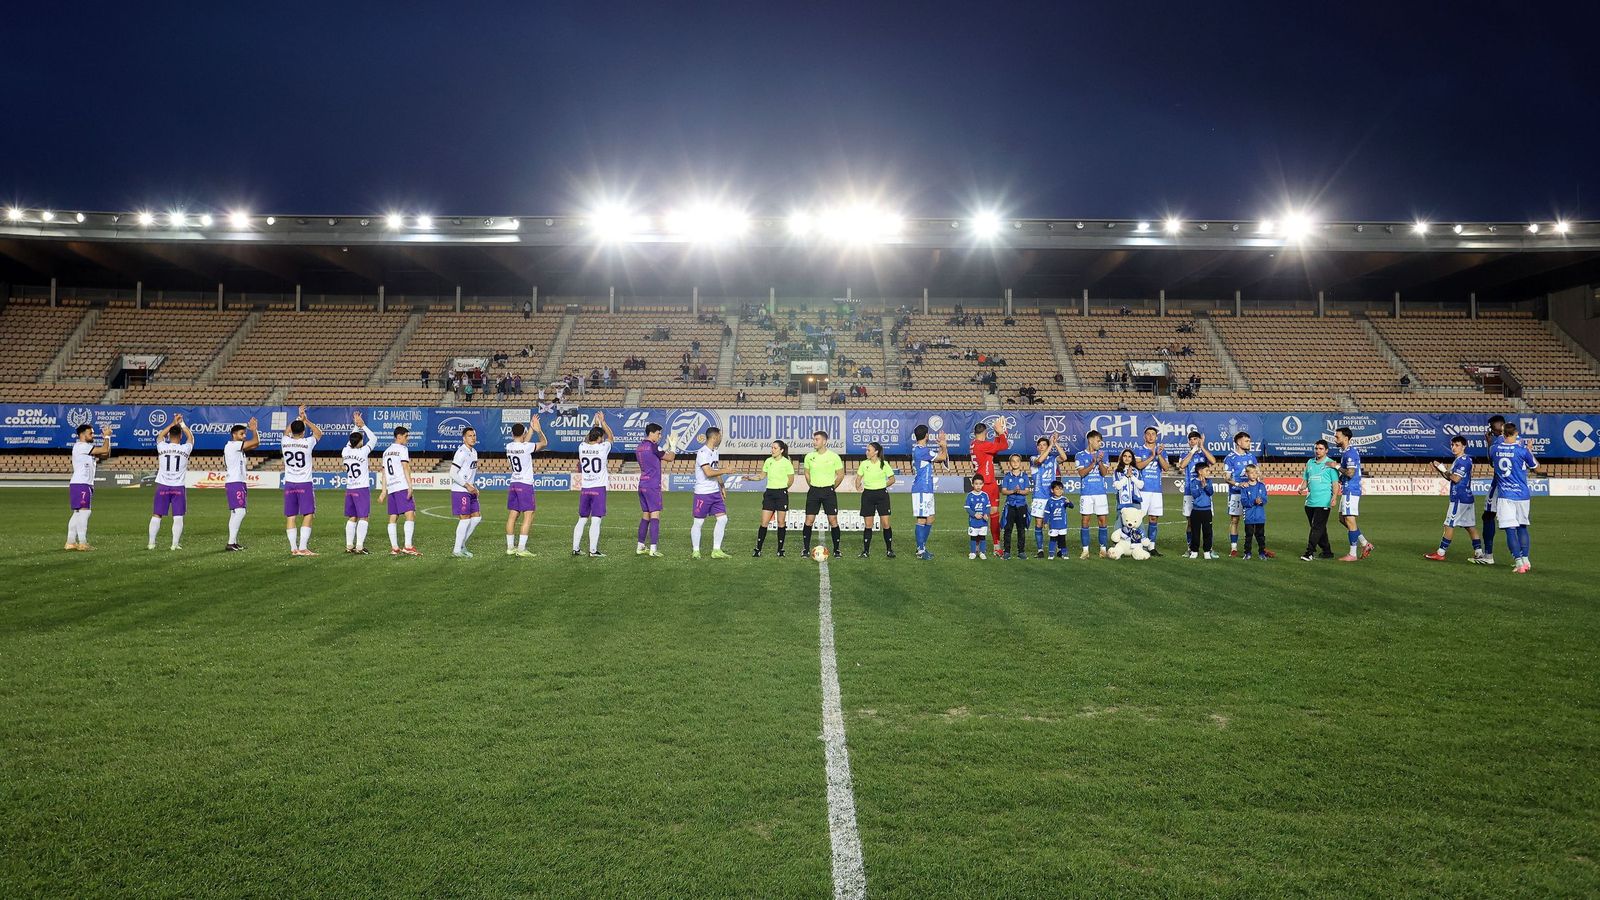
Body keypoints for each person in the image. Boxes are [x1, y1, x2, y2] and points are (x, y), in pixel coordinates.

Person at [1489, 422, 1540, 574]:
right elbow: (1537, 468)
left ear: (1503, 434)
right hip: (1523, 495)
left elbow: (1492, 463)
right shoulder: (1523, 450)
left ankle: (1518, 563)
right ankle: (1526, 560)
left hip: (1506, 495)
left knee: (1510, 530)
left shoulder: (1494, 449)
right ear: (1516, 433)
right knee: (1522, 527)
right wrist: (1530, 451)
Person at [1425, 435, 1484, 562]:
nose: (1453, 447)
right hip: (1467, 498)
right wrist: (1439, 470)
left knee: (1449, 525)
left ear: (1464, 446)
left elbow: (1455, 479)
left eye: (1457, 445)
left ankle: (1441, 553)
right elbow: (1449, 477)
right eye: (1452, 445)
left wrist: (1441, 467)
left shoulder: (1463, 460)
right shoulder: (1459, 460)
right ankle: (1479, 552)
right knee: (1470, 526)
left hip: (1459, 498)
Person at [570, 412, 614, 557]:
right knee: (596, 520)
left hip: (585, 488)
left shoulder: (581, 447)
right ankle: (593, 551)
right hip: (598, 488)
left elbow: (586, 438)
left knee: (582, 519)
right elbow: (611, 437)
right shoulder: (602, 448)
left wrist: (595, 425)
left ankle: (575, 548)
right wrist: (603, 422)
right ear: (600, 438)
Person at [281, 406, 322, 556]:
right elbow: (319, 433)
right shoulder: (307, 442)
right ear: (303, 431)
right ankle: (303, 547)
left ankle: (293, 548)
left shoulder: (285, 441)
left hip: (289, 483)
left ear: (291, 431)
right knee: (308, 514)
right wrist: (306, 419)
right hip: (304, 483)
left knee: (291, 516)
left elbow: (286, 432)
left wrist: (298, 418)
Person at [149, 415, 194, 551]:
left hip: (163, 485)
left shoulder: (162, 447)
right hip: (178, 487)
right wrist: (182, 424)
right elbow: (191, 438)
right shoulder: (185, 449)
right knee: (178, 516)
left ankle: (151, 543)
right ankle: (174, 544)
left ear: (169, 435)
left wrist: (172, 424)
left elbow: (159, 436)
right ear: (180, 436)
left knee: (157, 515)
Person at [66, 422, 112, 551]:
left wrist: (109, 439)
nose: (92, 435)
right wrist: (106, 438)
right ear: (82, 434)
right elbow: (103, 450)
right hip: (82, 483)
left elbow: (106, 454)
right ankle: (83, 542)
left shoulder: (85, 448)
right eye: (90, 433)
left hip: (82, 483)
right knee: (85, 512)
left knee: (77, 513)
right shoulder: (81, 446)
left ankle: (70, 542)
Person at [505, 418, 548, 557]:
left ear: (512, 434)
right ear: (523, 434)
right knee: (528, 515)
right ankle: (521, 549)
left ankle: (510, 548)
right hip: (525, 484)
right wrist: (538, 430)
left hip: (514, 483)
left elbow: (523, 442)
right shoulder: (526, 447)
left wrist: (530, 428)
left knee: (512, 516)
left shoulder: (509, 446)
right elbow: (544, 443)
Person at [690, 427, 733, 559]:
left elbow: (716, 469)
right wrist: (725, 470)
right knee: (698, 522)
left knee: (723, 519)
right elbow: (708, 472)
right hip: (703, 493)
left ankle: (716, 550)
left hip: (715, 493)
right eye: (720, 436)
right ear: (714, 437)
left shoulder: (715, 451)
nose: (721, 438)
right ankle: (696, 551)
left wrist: (722, 486)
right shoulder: (702, 452)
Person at [633, 422, 675, 557]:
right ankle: (653, 549)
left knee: (646, 515)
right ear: (651, 433)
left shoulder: (640, 447)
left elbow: (656, 454)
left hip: (642, 484)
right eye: (658, 433)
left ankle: (640, 546)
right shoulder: (653, 446)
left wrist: (665, 447)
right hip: (652, 485)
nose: (660, 436)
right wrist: (673, 446)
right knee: (655, 516)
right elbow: (670, 458)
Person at [802, 431, 845, 559]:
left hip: (828, 492)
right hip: (814, 491)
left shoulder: (834, 456)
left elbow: (840, 474)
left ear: (824, 441)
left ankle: (837, 550)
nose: (814, 442)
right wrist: (812, 485)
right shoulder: (809, 456)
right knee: (809, 520)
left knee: (833, 520)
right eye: (814, 439)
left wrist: (832, 487)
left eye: (817, 439)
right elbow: (807, 473)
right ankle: (805, 549)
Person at [1333, 426, 1374, 562]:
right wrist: (1337, 480)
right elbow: (1348, 473)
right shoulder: (1345, 452)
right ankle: (1365, 543)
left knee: (1349, 520)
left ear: (1346, 438)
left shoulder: (1350, 453)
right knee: (1342, 519)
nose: (1335, 439)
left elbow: (1350, 473)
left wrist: (1336, 466)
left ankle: (1352, 554)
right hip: (1347, 489)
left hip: (1351, 489)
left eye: (1337, 436)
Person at [381, 426, 422, 556]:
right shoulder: (402, 449)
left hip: (392, 487)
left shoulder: (386, 451)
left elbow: (384, 472)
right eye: (406, 436)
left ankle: (394, 548)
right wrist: (410, 485)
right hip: (401, 486)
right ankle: (408, 546)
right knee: (410, 514)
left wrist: (384, 491)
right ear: (399, 437)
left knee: (393, 516)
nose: (407, 439)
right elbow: (405, 467)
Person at [970, 419, 1010, 553]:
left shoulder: (976, 444)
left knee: (991, 513)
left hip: (989, 482)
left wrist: (998, 435)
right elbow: (1004, 446)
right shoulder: (982, 445)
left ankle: (992, 545)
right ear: (985, 433)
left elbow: (996, 448)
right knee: (987, 514)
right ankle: (992, 545)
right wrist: (1000, 432)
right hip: (985, 483)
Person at [910, 425, 949, 560]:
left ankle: (922, 546)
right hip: (921, 489)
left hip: (927, 489)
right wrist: (944, 444)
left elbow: (938, 457)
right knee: (922, 518)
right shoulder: (922, 451)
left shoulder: (919, 450)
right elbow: (942, 457)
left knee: (930, 518)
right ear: (926, 435)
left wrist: (941, 447)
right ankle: (920, 550)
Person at [341, 413, 377, 554]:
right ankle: (360, 547)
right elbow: (374, 439)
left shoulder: (345, 451)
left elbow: (351, 440)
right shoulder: (363, 452)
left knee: (352, 517)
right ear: (360, 441)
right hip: (361, 489)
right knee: (364, 516)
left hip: (350, 488)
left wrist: (356, 425)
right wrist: (363, 426)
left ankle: (349, 546)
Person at [752, 440, 794, 557]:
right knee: (764, 522)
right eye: (772, 448)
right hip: (769, 494)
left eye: (775, 448)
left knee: (781, 522)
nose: (772, 450)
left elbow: (790, 479)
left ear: (781, 450)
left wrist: (783, 489)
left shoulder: (786, 462)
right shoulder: (768, 461)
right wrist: (750, 478)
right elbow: (761, 476)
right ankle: (758, 549)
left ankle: (780, 549)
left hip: (781, 494)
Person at [222, 418, 259, 551]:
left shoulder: (236, 447)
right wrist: (254, 429)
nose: (244, 436)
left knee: (235, 513)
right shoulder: (233, 445)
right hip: (235, 482)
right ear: (234, 435)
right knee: (240, 512)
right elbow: (256, 442)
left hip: (237, 482)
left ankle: (232, 542)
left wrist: (254, 432)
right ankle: (231, 542)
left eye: (244, 433)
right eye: (241, 434)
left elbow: (255, 445)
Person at [1074, 430, 1113, 558]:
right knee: (1085, 521)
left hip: (1100, 493)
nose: (1099, 443)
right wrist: (1093, 462)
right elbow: (1081, 473)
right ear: (1090, 440)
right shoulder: (1079, 455)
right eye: (1098, 441)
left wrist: (1100, 462)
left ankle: (1103, 549)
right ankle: (1085, 550)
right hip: (1086, 493)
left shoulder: (1104, 454)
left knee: (1102, 521)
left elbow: (1104, 473)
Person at [1298, 439, 1339, 560]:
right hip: (1310, 501)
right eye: (1316, 448)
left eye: (1321, 449)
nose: (1318, 451)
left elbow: (1335, 483)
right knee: (1319, 528)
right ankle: (1327, 552)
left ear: (1326, 450)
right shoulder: (1310, 462)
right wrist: (1302, 487)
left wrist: (1334, 497)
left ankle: (1309, 552)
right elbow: (1306, 479)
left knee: (1317, 527)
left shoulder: (1331, 464)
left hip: (1324, 501)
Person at [1177, 430, 1217, 551]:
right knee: (1190, 521)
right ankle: (1190, 547)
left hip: (1204, 491)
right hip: (1190, 492)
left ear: (1199, 440)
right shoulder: (1185, 454)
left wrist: (1202, 447)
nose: (1193, 441)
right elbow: (1182, 465)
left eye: (1195, 439)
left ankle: (1208, 548)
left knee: (1207, 522)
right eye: (1191, 439)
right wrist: (1193, 451)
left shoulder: (1203, 454)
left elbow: (1213, 461)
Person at [1476, 415, 1507, 565]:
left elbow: (1493, 464)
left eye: (1492, 426)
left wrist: (1489, 444)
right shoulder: (1519, 442)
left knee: (1487, 517)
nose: (1491, 430)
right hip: (1518, 488)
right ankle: (1522, 559)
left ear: (1499, 426)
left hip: (1499, 484)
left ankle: (1488, 555)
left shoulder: (1497, 444)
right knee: (1517, 523)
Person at [1030, 435, 1069, 558]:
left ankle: (1057, 548)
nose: (1041, 447)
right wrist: (1050, 446)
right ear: (1037, 447)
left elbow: (1064, 457)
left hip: (1052, 497)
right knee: (1039, 523)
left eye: (1044, 445)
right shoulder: (1033, 458)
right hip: (1039, 496)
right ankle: (1040, 550)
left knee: (1055, 523)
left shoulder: (1053, 460)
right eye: (1040, 445)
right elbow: (1040, 461)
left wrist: (1055, 444)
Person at [857, 441, 897, 558]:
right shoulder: (864, 464)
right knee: (868, 524)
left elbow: (892, 479)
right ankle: (865, 551)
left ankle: (889, 550)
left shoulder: (883, 464)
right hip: (868, 495)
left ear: (876, 452)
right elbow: (858, 477)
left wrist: (882, 485)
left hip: (882, 496)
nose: (866, 452)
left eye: (868, 450)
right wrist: (858, 484)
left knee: (885, 523)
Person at [1222, 431, 1258, 557]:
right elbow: (1226, 478)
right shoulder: (1230, 458)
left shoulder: (1252, 457)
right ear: (1239, 442)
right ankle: (1234, 548)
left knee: (1252, 521)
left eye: (1249, 441)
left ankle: (1252, 547)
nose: (1249, 443)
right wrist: (1238, 484)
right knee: (1235, 520)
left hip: (1250, 494)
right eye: (1247, 441)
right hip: (1236, 494)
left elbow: (1257, 474)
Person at [449, 426, 483, 558]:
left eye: (474, 435)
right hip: (460, 490)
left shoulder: (474, 452)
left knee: (476, 517)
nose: (473, 438)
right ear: (464, 438)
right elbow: (452, 473)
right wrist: (467, 486)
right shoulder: (461, 452)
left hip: (470, 489)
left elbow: (469, 473)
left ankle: (462, 545)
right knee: (464, 520)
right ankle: (457, 550)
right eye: (470, 436)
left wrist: (473, 486)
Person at [1136, 426, 1168, 555]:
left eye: (1153, 434)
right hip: (1143, 490)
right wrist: (1152, 456)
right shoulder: (1138, 450)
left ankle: (1151, 546)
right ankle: (1139, 544)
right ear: (1144, 436)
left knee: (1154, 518)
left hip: (1156, 490)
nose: (1150, 436)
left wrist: (1159, 455)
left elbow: (1165, 467)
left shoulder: (1161, 451)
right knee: (1139, 518)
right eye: (1148, 434)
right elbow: (1138, 466)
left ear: (1156, 437)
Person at [998, 454, 1031, 560]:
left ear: (1020, 463)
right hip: (1010, 506)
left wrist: (1019, 491)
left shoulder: (1024, 476)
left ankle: (1021, 551)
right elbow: (1003, 491)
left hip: (1021, 506)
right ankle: (1007, 551)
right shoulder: (1007, 476)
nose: (1015, 463)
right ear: (1009, 463)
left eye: (1017, 461)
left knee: (1021, 529)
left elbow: (1027, 491)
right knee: (1008, 529)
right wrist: (1013, 491)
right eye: (1013, 461)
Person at [1238, 464, 1273, 558]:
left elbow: (1265, 499)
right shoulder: (1245, 487)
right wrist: (1254, 501)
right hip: (1249, 516)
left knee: (1261, 536)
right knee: (1248, 536)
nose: (1254, 475)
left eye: (1255, 472)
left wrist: (1261, 501)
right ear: (1247, 474)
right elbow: (1244, 501)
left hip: (1260, 516)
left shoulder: (1261, 486)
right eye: (1251, 473)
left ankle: (1262, 553)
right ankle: (1247, 553)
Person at [1187, 462, 1217, 559]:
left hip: (1207, 510)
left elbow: (1211, 492)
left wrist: (1206, 486)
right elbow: (1195, 495)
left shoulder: (1209, 481)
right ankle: (1194, 551)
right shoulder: (1193, 482)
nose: (1209, 472)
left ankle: (1207, 551)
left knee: (1207, 532)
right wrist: (1201, 487)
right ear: (1200, 472)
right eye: (1206, 470)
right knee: (1195, 532)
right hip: (1196, 511)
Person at [1043, 481, 1074, 559]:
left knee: (1062, 540)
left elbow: (1072, 506)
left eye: (1061, 489)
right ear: (1052, 490)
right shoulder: (1050, 501)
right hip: (1053, 525)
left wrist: (1069, 502)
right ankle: (1051, 554)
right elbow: (1046, 512)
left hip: (1062, 524)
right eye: (1057, 489)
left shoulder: (1064, 499)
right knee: (1052, 539)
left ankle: (1064, 553)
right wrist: (1045, 522)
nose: (1059, 491)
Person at [965, 474, 992, 560]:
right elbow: (967, 508)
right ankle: (973, 552)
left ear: (983, 484)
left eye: (980, 484)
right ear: (972, 484)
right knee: (973, 537)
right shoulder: (970, 495)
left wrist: (986, 514)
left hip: (983, 522)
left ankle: (982, 552)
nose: (978, 486)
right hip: (973, 521)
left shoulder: (985, 495)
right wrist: (974, 514)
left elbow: (988, 507)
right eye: (976, 484)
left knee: (982, 537)